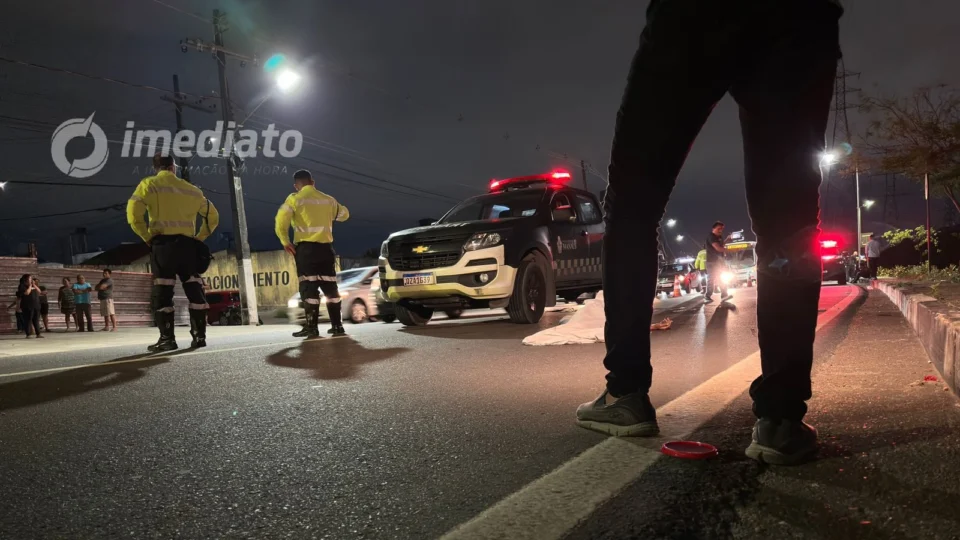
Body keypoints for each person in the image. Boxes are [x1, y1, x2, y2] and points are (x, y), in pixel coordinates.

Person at [576, 0, 843, 466]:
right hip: (799, 19)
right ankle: (780, 418)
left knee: (633, 206)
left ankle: (625, 392)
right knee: (789, 218)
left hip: (690, 15)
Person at [127, 153, 219, 351]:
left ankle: (167, 339)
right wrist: (199, 238)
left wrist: (147, 236)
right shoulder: (192, 190)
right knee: (194, 288)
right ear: (173, 167)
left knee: (163, 292)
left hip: (163, 246)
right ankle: (199, 336)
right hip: (188, 246)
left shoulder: (149, 184)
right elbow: (213, 216)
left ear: (156, 168)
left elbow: (133, 214)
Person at [275, 169, 350, 338]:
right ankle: (337, 326)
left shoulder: (294, 199)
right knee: (330, 287)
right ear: (313, 182)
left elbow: (281, 221)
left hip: (306, 250)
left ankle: (312, 327)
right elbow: (345, 215)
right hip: (326, 250)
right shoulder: (328, 200)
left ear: (296, 186)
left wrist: (285, 241)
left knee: (309, 287)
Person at [703, 221, 733, 303]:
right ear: (713, 229)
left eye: (722, 229)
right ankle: (707, 296)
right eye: (718, 228)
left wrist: (727, 239)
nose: (720, 230)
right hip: (712, 262)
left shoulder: (719, 237)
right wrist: (731, 250)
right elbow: (718, 248)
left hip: (719, 261)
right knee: (711, 279)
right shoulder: (711, 237)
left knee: (721, 278)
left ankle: (724, 295)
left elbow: (721, 245)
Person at [17, 274, 43, 338]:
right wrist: (30, 286)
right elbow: (27, 293)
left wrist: (34, 285)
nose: (31, 280)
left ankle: (38, 334)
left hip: (36, 305)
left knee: (36, 320)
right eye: (29, 278)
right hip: (27, 306)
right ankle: (28, 334)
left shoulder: (33, 285)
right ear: (25, 279)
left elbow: (39, 292)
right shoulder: (22, 286)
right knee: (28, 320)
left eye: (31, 278)